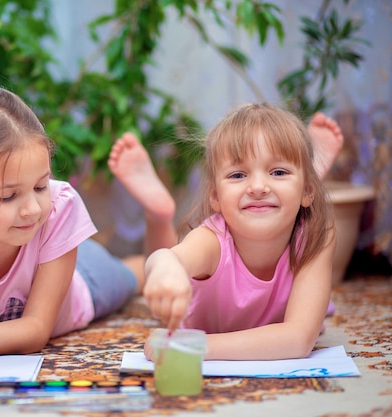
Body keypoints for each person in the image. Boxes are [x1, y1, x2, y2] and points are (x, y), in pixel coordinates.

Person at [0, 82, 171, 372]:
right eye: (8, 196)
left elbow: (36, 330)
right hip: (49, 253)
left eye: (40, 186)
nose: (32, 209)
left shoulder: (55, 210)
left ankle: (158, 216)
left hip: (84, 278)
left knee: (141, 275)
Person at [128, 103, 337, 361]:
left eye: (278, 172)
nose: (258, 187)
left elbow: (298, 340)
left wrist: (192, 346)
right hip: (219, 316)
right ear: (215, 196)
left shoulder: (317, 234)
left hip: (293, 270)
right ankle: (298, 174)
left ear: (307, 191)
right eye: (238, 175)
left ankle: (308, 170)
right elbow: (168, 257)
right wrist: (166, 269)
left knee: (314, 292)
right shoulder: (213, 240)